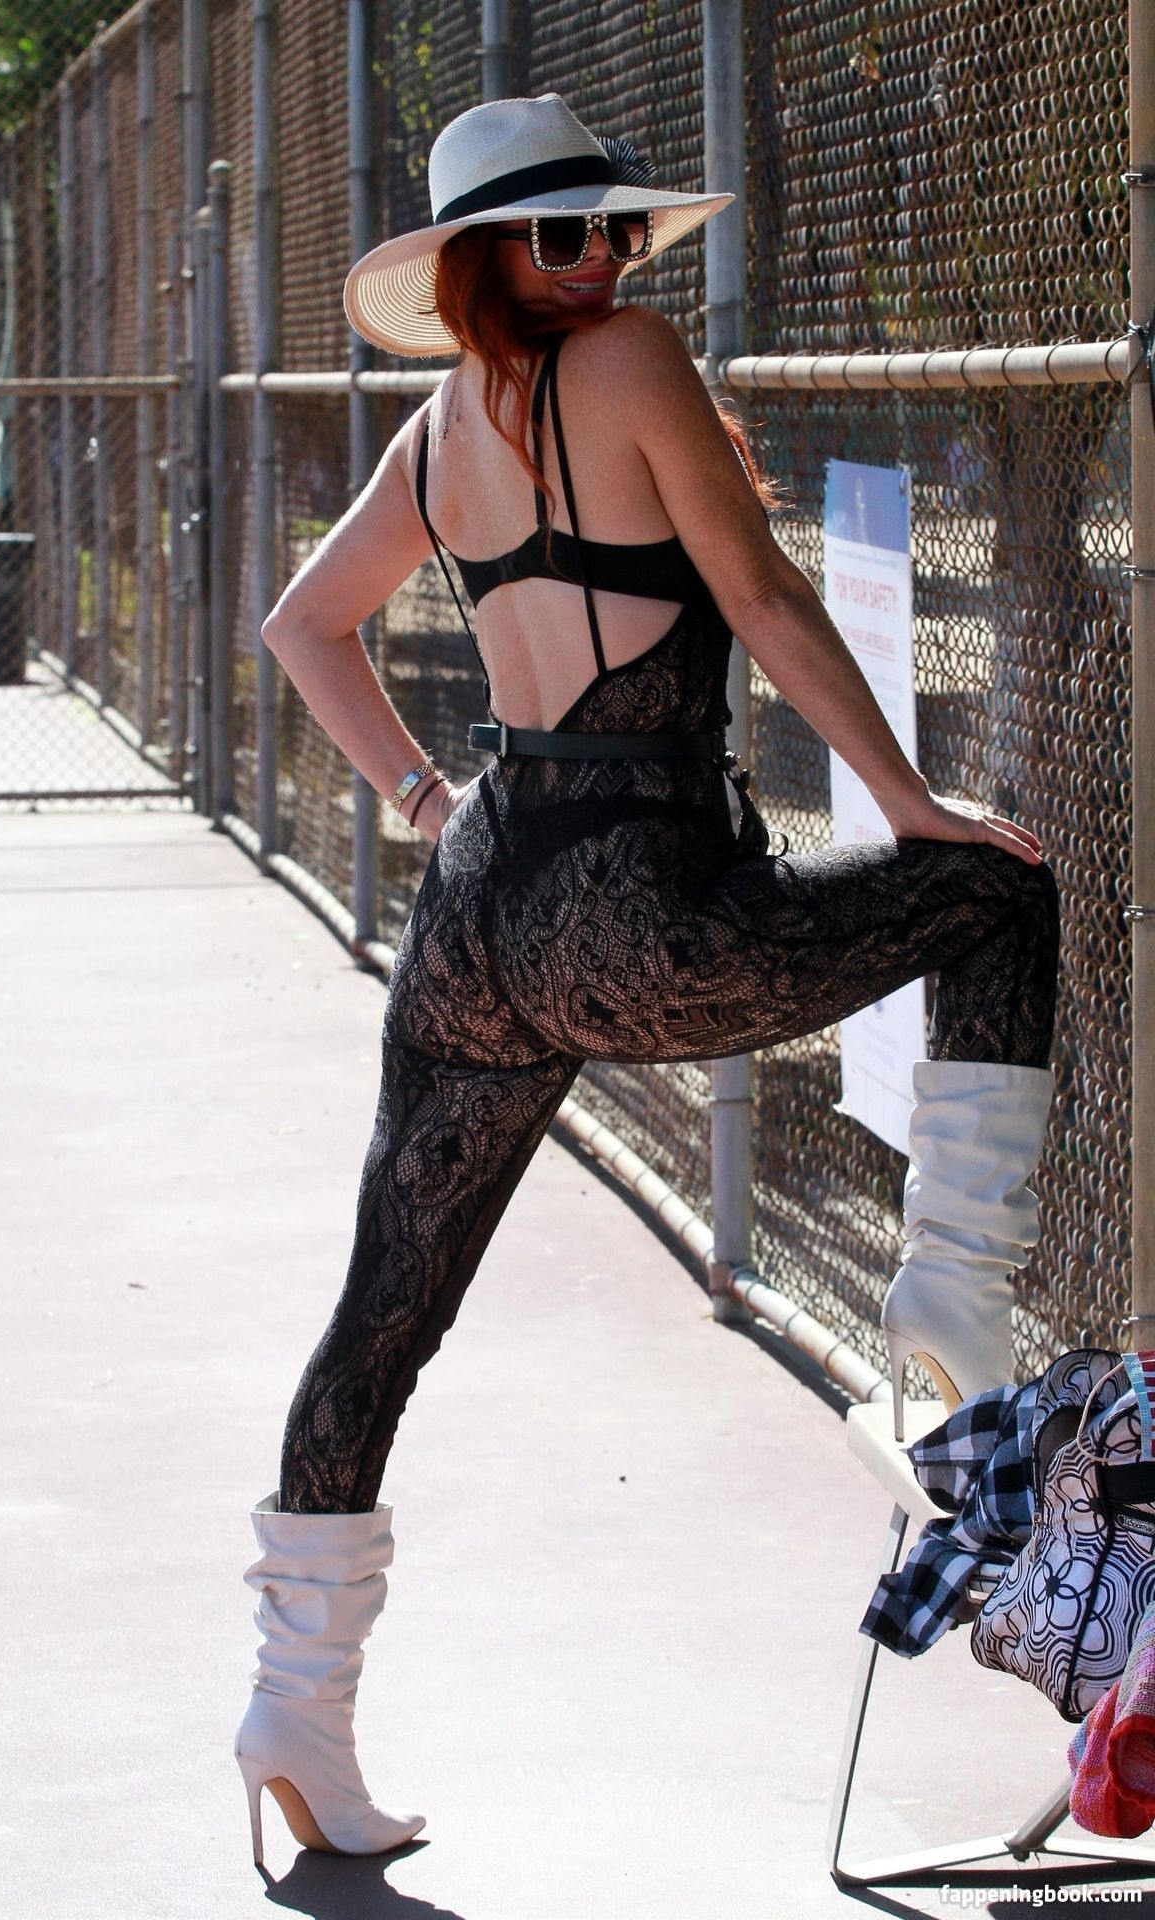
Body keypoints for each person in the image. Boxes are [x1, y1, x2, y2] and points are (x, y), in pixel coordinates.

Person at [233, 93, 1060, 1876]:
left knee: (384, 1318)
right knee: (996, 895)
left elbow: (304, 622)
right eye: (561, 236)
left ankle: (293, 1708)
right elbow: (757, 590)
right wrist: (908, 801)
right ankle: (953, 1289)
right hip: (633, 908)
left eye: (615, 228)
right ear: (482, 261)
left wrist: (425, 804)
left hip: (479, 921)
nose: (601, 260)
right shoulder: (628, 362)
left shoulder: (441, 428)